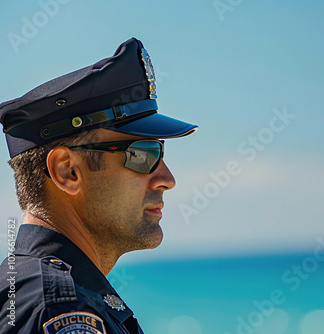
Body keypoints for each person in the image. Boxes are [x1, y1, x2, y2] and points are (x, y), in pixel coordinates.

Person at [0, 37, 198, 333]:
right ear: (68, 172)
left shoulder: (32, 291)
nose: (167, 180)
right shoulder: (60, 309)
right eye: (143, 154)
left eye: (161, 152)